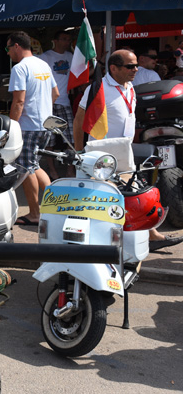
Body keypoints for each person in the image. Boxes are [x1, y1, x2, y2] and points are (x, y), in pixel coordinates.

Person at [73, 50, 182, 250]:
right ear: (113, 68)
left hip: (124, 150)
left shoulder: (130, 87)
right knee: (103, 199)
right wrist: (79, 154)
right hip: (101, 154)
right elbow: (79, 121)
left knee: (136, 193)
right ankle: (101, 244)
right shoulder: (97, 88)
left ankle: (150, 235)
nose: (135, 69)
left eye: (135, 65)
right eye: (130, 66)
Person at [7, 31, 59, 227]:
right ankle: (54, 208)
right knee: (36, 166)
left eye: (8, 48)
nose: (8, 53)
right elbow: (55, 93)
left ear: (17, 46)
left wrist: (11, 127)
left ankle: (35, 213)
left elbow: (19, 101)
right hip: (45, 125)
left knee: (24, 168)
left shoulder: (20, 68)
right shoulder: (43, 64)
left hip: (28, 127)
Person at [40, 30, 75, 179]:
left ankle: (70, 169)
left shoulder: (71, 57)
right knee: (50, 139)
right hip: (49, 103)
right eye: (64, 39)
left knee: (71, 138)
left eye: (68, 39)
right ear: (56, 40)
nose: (67, 42)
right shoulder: (45, 57)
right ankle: (52, 169)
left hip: (64, 101)